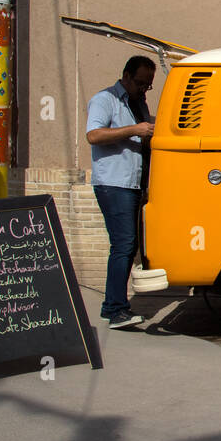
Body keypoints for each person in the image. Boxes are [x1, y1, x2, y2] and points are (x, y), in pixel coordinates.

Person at [85, 55, 156, 328]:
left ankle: (112, 306)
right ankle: (116, 309)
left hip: (133, 182)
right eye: (139, 83)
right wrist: (134, 130)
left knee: (129, 246)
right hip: (114, 183)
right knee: (123, 244)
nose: (143, 89)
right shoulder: (105, 100)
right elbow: (94, 135)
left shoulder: (138, 103)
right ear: (125, 76)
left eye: (147, 85)